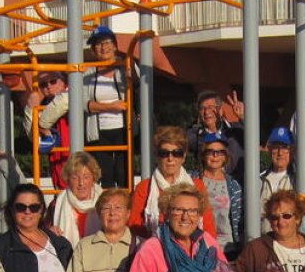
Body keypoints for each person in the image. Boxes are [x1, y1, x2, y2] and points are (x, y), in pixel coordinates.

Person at [62, 188, 138, 272]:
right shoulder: (84, 246)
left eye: (118, 208)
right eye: (106, 208)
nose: (112, 213)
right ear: (98, 213)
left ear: (128, 213)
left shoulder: (140, 246)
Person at [129, 126, 216, 239]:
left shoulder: (197, 186)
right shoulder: (144, 187)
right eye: (164, 153)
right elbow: (134, 226)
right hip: (154, 249)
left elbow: (208, 226)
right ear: (156, 156)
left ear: (184, 157)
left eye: (177, 153)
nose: (170, 158)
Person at [85, 25, 129, 187]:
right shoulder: (87, 73)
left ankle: (126, 210)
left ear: (115, 46)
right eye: (98, 44)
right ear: (93, 50)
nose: (103, 47)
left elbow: (140, 84)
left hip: (123, 129)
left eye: (106, 42)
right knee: (106, 177)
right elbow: (85, 104)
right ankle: (108, 210)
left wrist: (131, 74)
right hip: (99, 132)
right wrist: (112, 107)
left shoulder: (125, 67)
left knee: (124, 174)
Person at [257, 127, 305, 232]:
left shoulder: (301, 175)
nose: (280, 153)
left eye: (284, 147)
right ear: (269, 150)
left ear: (292, 150)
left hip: (291, 243)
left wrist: (299, 208)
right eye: (275, 147)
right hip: (265, 242)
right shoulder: (260, 178)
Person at [193, 132, 244, 259]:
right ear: (204, 155)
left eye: (220, 152)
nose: (215, 156)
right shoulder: (192, 180)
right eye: (211, 151)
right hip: (200, 247)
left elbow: (239, 219)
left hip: (228, 249)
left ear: (225, 155)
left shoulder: (234, 185)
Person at [48, 151, 104, 248]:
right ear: (68, 179)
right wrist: (50, 232)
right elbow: (44, 234)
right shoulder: (56, 205)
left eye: (86, 177)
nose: (81, 183)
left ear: (93, 178)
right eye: (75, 178)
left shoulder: (105, 203)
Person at [186, 90, 245, 179]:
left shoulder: (237, 130)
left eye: (210, 107)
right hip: (207, 188)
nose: (206, 112)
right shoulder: (194, 135)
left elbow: (259, 139)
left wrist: (242, 117)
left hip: (237, 189)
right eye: (202, 108)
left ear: (220, 110)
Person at [35, 71, 72, 189]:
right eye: (43, 85)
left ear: (64, 83)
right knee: (58, 186)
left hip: (69, 151)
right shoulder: (43, 105)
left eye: (53, 81)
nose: (48, 86)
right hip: (55, 153)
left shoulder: (71, 96)